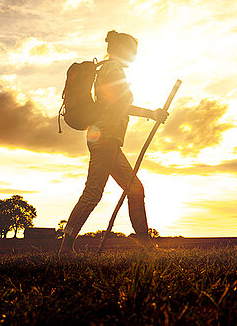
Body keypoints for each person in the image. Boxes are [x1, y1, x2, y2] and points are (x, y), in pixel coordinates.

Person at [59, 30, 168, 254]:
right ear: (122, 51)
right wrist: (152, 113)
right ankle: (66, 247)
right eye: (133, 52)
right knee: (93, 192)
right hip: (105, 137)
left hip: (107, 138)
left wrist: (151, 113)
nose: (135, 57)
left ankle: (146, 246)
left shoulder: (108, 68)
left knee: (135, 189)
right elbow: (118, 105)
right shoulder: (113, 69)